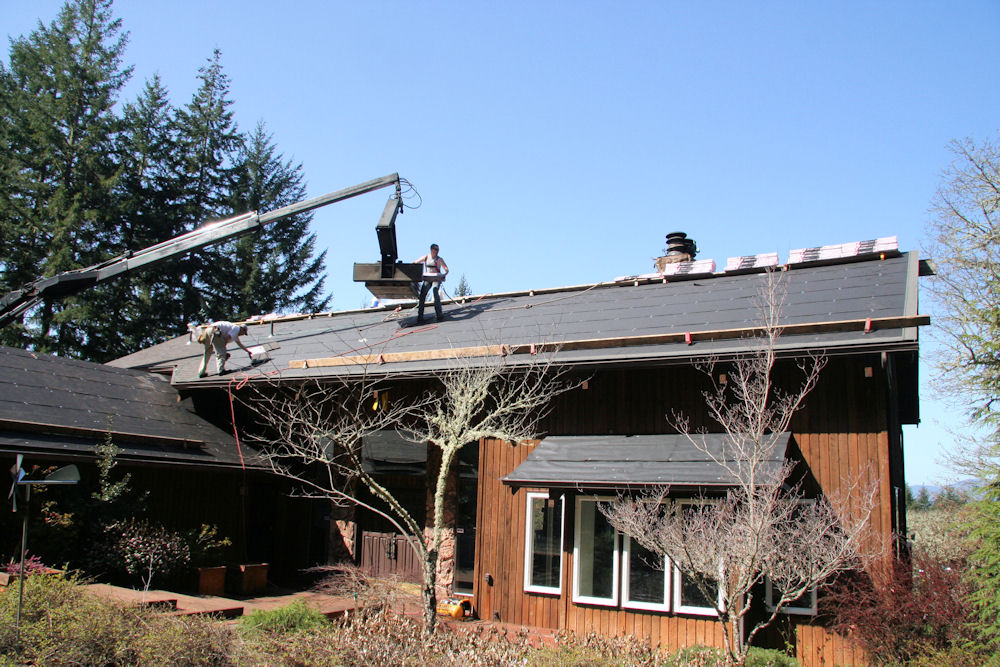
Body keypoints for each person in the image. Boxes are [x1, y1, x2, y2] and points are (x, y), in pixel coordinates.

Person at [414, 243, 449, 323]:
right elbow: (416, 262)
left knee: (435, 290)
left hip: (436, 279)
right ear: (431, 250)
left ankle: (439, 314)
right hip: (428, 278)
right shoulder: (426, 257)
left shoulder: (439, 259)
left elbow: (446, 269)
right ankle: (420, 315)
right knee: (422, 295)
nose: (436, 252)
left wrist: (444, 274)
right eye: (435, 250)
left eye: (437, 250)